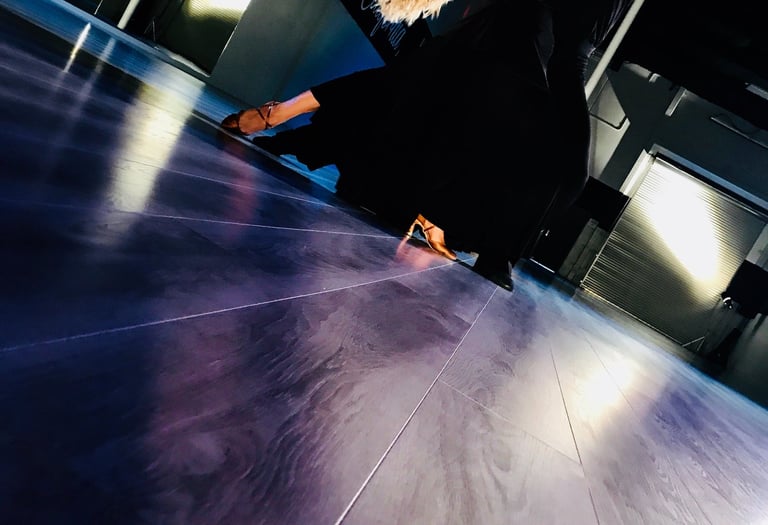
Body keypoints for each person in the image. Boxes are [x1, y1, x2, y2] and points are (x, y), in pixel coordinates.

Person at [220, 0, 633, 291]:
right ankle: (281, 112)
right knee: (406, 90)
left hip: (549, 52)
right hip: (520, 25)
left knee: (425, 101)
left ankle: (446, 218)